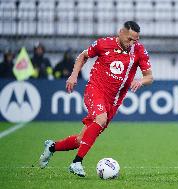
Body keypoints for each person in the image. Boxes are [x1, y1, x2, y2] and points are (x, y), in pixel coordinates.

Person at [39, 21, 153, 177]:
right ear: (121, 32)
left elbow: (150, 77)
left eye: (136, 40)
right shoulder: (103, 44)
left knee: (82, 139)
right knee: (101, 118)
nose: (132, 43)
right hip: (95, 90)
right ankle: (76, 162)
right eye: (130, 39)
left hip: (113, 102)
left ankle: (52, 147)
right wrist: (73, 75)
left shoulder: (139, 51)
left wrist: (140, 81)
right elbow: (82, 56)